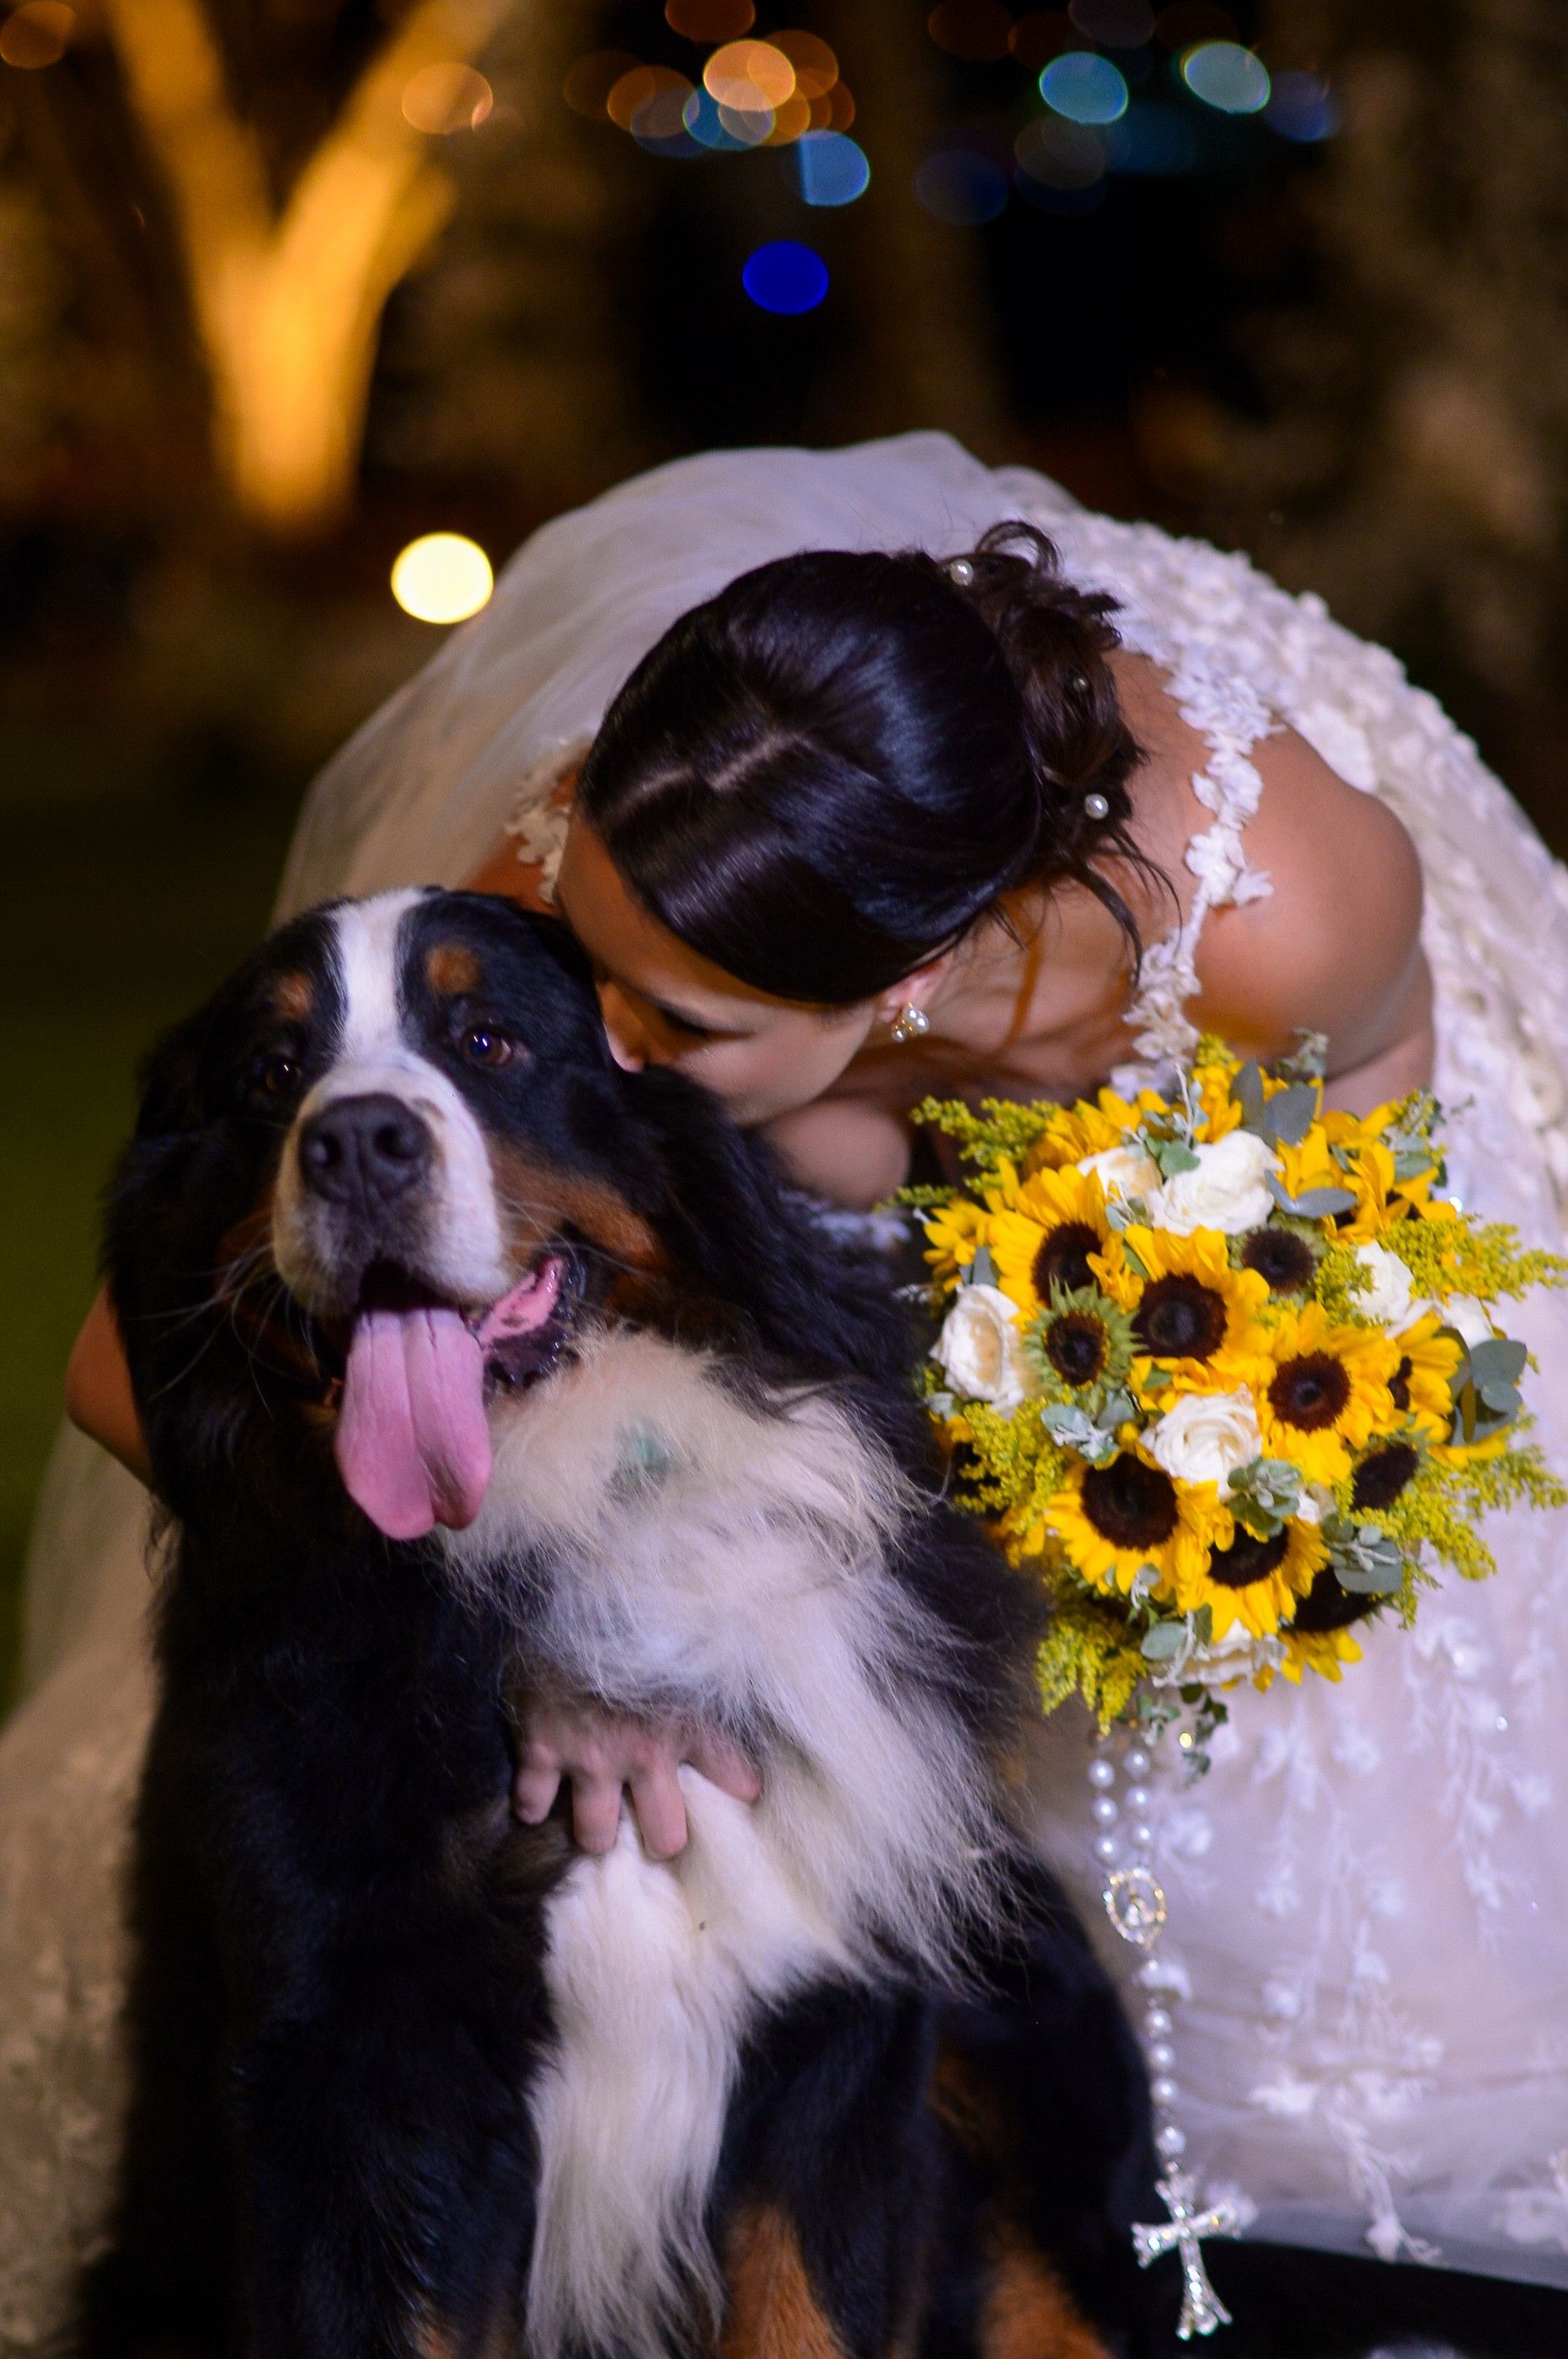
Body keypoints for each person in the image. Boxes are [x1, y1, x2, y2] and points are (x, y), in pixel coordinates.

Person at [7, 433, 1568, 2343]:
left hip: (1181, 1285)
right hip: (778, 1393)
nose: (618, 1043)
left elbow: (1357, 1269)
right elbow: (137, 1355)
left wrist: (1188, 1469)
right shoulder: (604, 868)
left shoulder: (1290, 914)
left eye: (684, 1027)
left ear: (899, 986)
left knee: (1243, 1905)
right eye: (603, 991)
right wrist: (530, 1640)